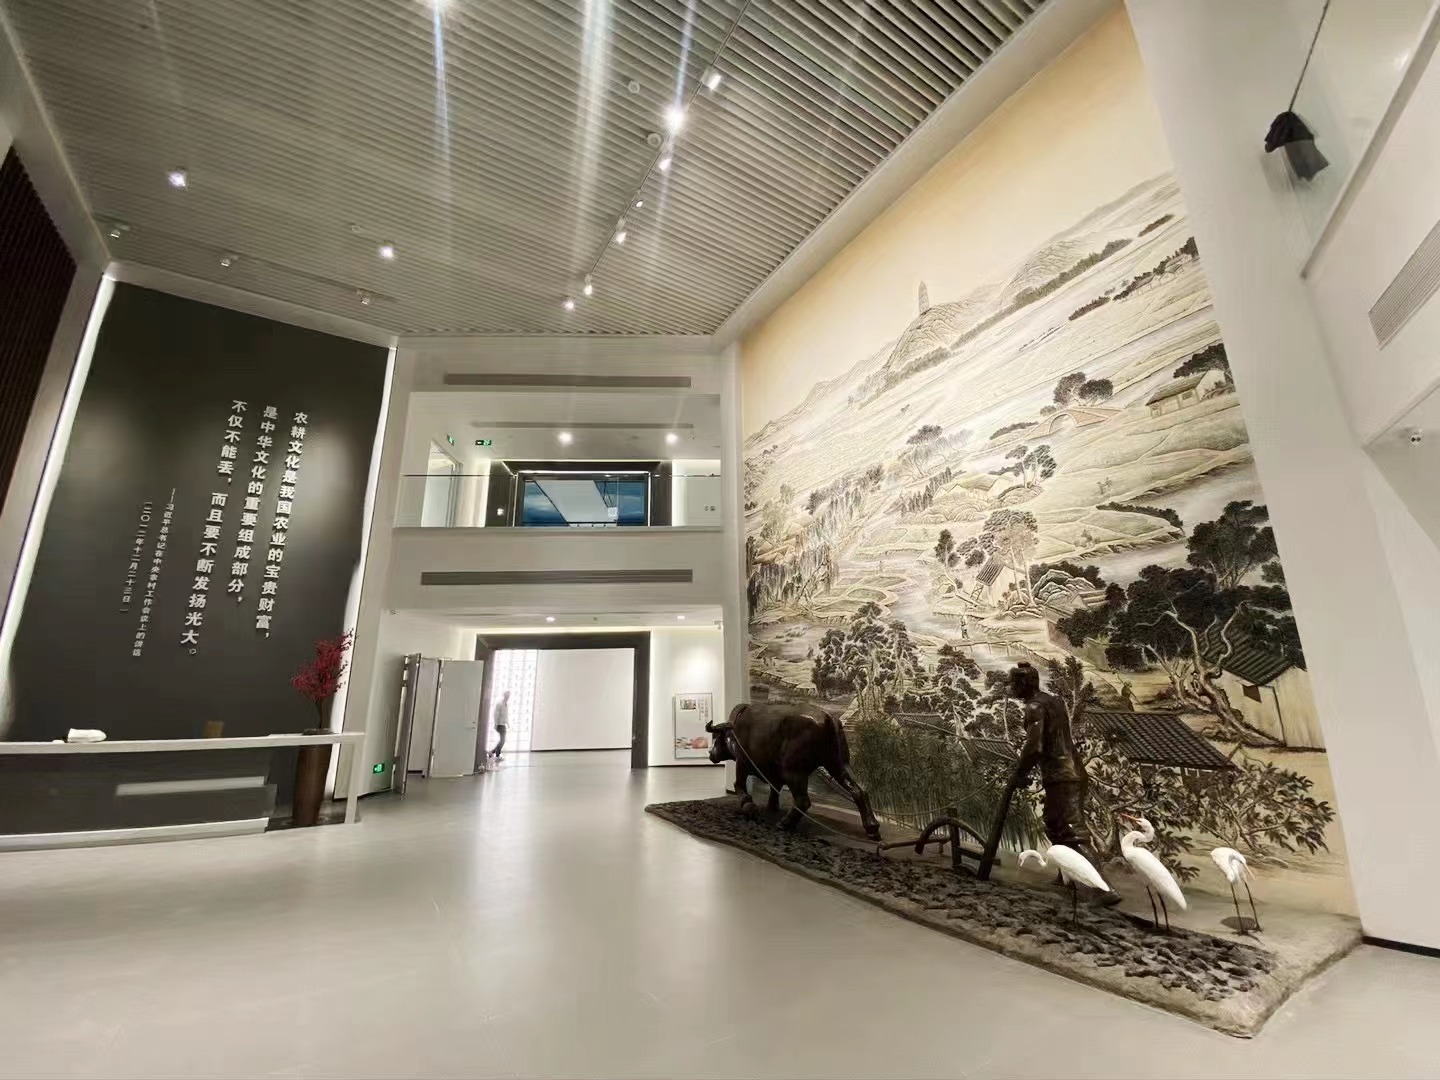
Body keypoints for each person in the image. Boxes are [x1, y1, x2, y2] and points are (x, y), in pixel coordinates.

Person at [490, 690, 511, 760]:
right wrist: (496, 724)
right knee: (503, 740)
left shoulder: (506, 704)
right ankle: (497, 754)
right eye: (507, 695)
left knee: (502, 740)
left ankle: (492, 752)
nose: (508, 697)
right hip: (499, 724)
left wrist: (508, 724)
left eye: (509, 696)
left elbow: (506, 715)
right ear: (504, 695)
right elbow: (496, 715)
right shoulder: (500, 704)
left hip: (503, 724)